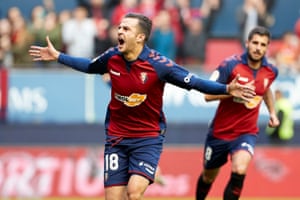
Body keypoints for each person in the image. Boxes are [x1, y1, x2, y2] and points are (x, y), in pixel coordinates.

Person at [29, 13, 255, 200]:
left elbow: (195, 82)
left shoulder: (159, 65)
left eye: (126, 29)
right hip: (116, 138)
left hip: (147, 137)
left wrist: (226, 89)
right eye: (119, 27)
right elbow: (89, 66)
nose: (119, 32)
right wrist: (58, 56)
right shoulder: (112, 57)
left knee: (134, 193)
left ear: (140, 37)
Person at [195, 26, 279, 200]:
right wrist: (230, 91)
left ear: (267, 47)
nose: (258, 48)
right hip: (220, 133)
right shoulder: (230, 65)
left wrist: (272, 112)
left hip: (245, 132)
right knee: (208, 177)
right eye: (255, 43)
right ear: (247, 43)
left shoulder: (271, 71)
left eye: (263, 44)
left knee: (240, 169)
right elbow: (207, 95)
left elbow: (266, 89)